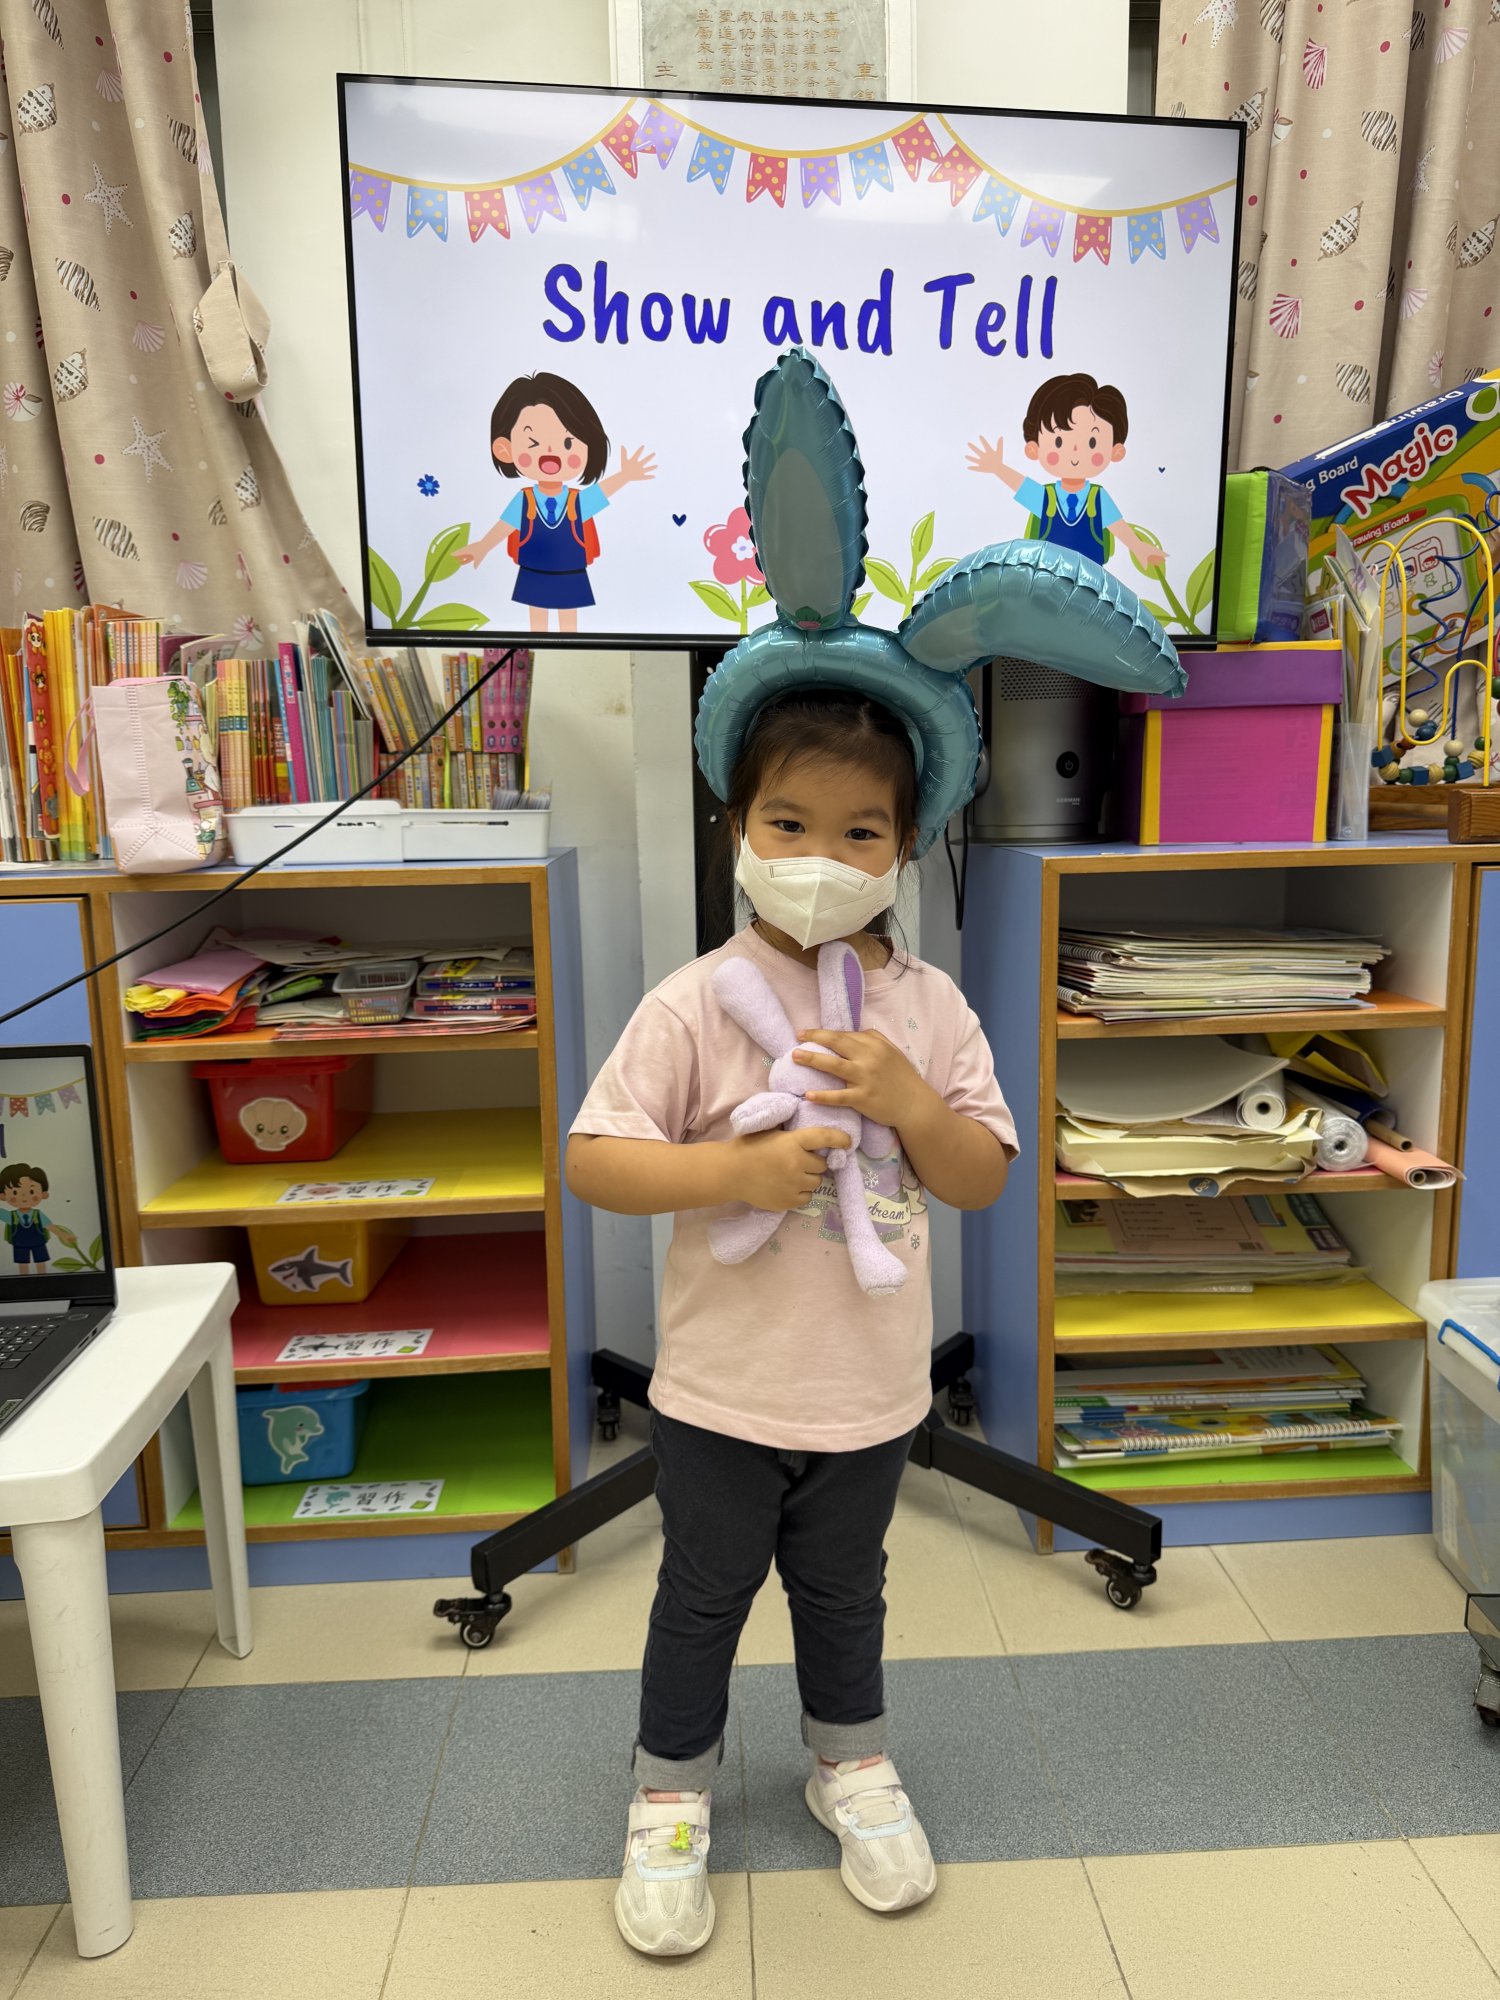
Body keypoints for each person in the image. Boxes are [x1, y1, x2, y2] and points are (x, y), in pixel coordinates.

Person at [565, 686, 1017, 1958]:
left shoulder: (931, 1007)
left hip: (868, 1390)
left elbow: (981, 1174)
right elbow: (595, 1159)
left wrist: (911, 1100)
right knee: (702, 1593)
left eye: (860, 830)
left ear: (908, 843)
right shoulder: (695, 1001)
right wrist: (732, 1171)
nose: (821, 858)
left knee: (845, 1588)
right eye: (789, 822)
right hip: (723, 1388)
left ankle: (850, 1762)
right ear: (738, 828)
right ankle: (669, 1793)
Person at [453, 370, 655, 634]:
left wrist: (625, 476)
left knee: (569, 626)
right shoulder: (524, 500)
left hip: (570, 572)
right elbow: (505, 526)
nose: (550, 453)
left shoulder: (577, 501)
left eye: (568, 443)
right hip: (533, 571)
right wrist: (482, 546)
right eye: (533, 443)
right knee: (537, 625)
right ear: (505, 449)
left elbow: (602, 492)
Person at [966, 371, 1168, 572]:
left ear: (1116, 451)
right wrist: (998, 468)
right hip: (1046, 579)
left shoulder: (1098, 498)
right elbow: (1021, 485)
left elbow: (1117, 525)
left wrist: (1139, 548)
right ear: (1033, 448)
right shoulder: (1046, 498)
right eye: (1059, 441)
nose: (1075, 452)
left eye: (1092, 442)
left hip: (1090, 580)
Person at [0, 1163, 77, 1271]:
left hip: (38, 1243)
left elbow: (50, 1226)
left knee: (41, 1263)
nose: (23, 1196)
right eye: (15, 1192)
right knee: (22, 1265)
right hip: (19, 1244)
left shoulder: (38, 1215)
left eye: (31, 1191)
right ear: (3, 1196)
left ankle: (42, 1277)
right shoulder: (10, 1216)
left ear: (44, 1194)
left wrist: (63, 1235)